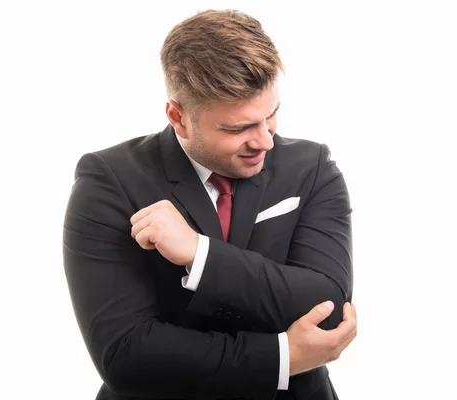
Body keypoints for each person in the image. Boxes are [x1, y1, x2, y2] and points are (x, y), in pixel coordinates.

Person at [63, 9, 356, 400]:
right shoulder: (109, 181)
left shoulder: (311, 168)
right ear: (178, 117)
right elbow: (126, 355)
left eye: (271, 115)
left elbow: (330, 307)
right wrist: (283, 356)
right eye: (237, 129)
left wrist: (200, 255)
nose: (266, 141)